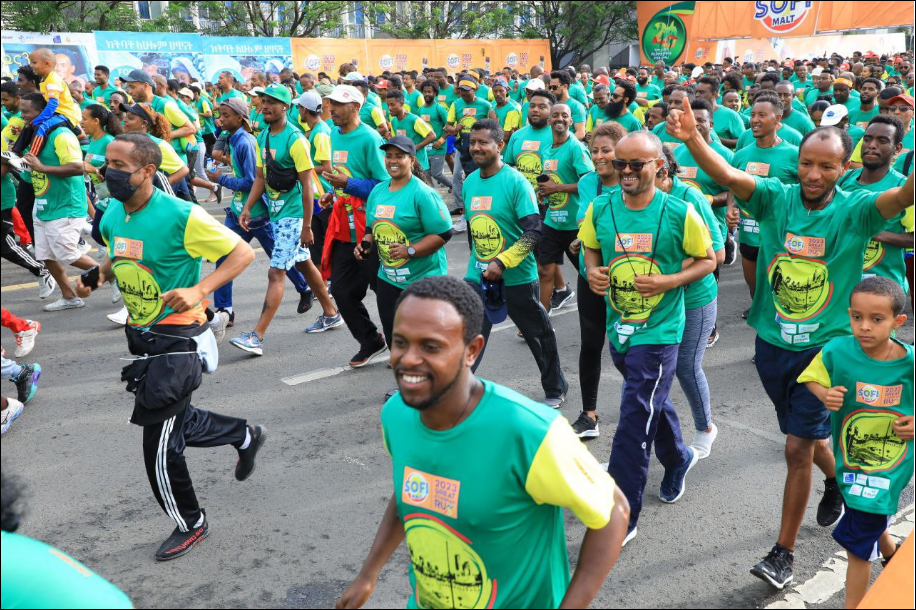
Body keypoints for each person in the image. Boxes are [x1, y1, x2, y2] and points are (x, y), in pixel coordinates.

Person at [666, 100, 914, 590]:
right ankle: (862, 517)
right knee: (814, 438)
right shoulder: (777, 198)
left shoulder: (857, 210)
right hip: (772, 345)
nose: (814, 174)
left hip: (827, 350)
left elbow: (905, 195)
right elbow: (730, 175)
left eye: (827, 166)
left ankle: (783, 553)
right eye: (807, 163)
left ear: (845, 168)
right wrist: (693, 137)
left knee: (798, 445)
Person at [335, 276, 629, 610]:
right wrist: (368, 574)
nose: (409, 359)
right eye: (400, 342)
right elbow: (411, 490)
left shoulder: (527, 430)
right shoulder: (397, 414)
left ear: (472, 350)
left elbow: (614, 512)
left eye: (430, 347)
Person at [75, 132, 266, 561]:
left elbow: (241, 255)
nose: (109, 172)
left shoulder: (182, 215)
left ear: (147, 172)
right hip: (143, 338)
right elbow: (118, 254)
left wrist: (200, 290)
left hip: (180, 342)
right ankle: (244, 434)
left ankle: (191, 522)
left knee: (159, 445)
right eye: (107, 163)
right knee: (176, 422)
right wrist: (94, 277)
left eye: (120, 166)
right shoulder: (112, 216)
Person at [579, 130, 716, 544]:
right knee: (649, 396)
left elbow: (710, 259)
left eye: (635, 164)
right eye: (618, 163)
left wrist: (669, 280)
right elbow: (589, 248)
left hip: (660, 331)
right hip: (619, 327)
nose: (624, 171)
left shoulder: (679, 212)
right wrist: (592, 271)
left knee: (634, 415)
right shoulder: (600, 208)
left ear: (659, 166)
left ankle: (622, 513)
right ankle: (678, 457)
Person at [798, 277, 913, 608]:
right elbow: (811, 377)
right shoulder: (837, 350)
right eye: (857, 317)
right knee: (864, 517)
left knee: (856, 545)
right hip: (850, 461)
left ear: (898, 322)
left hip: (890, 468)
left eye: (877, 320)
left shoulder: (910, 363)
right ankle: (892, 554)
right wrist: (826, 394)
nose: (864, 327)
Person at [463, 119, 568, 407]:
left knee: (538, 335)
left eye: (483, 142)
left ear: (500, 145)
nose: (476, 147)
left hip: (517, 277)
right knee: (467, 333)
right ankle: (457, 389)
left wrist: (503, 261)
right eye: (473, 142)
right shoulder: (470, 182)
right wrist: (480, 264)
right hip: (478, 275)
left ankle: (555, 387)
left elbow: (534, 232)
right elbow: (474, 229)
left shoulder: (516, 182)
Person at [228, 85, 338, 356]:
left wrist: (307, 225)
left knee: (276, 272)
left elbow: (308, 185)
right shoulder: (262, 136)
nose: (265, 106)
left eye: (272, 102)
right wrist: (248, 207)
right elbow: (260, 179)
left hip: (294, 214)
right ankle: (331, 312)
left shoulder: (296, 139)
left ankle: (257, 336)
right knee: (303, 262)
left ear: (286, 107)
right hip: (276, 213)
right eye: (263, 101)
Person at [318, 84, 391, 364]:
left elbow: (384, 185)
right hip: (343, 228)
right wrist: (332, 192)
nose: (332, 109)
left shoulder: (369, 138)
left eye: (338, 104)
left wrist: (349, 184)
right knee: (341, 291)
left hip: (369, 229)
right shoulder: (334, 134)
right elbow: (342, 178)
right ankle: (371, 340)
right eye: (330, 103)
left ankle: (400, 347)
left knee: (383, 292)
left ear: (356, 107)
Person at [359, 135, 452, 350]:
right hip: (388, 278)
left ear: (412, 159)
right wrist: (365, 244)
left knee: (424, 341)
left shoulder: (423, 193)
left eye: (399, 156)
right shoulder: (378, 191)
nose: (393, 160)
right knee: (396, 338)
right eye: (389, 156)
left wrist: (409, 250)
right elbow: (372, 227)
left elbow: (442, 234)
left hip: (423, 279)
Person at [568, 121, 625, 439]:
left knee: (629, 346)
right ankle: (589, 415)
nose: (599, 156)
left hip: (627, 278)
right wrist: (581, 240)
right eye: (594, 151)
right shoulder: (589, 182)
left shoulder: (633, 182)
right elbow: (585, 222)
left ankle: (640, 407)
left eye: (606, 150)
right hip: (590, 273)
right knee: (590, 343)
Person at [17, 92, 98, 311]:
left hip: (65, 205)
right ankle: (70, 297)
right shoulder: (33, 133)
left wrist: (43, 168)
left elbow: (77, 167)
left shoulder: (61, 134)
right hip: (43, 204)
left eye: (26, 111)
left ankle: (111, 273)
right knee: (44, 255)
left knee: (67, 254)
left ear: (43, 111)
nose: (21, 115)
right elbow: (30, 171)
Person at [731, 92, 799, 317]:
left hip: (783, 239)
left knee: (783, 296)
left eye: (762, 115)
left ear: (778, 119)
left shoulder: (793, 154)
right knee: (756, 292)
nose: (755, 120)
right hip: (749, 236)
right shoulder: (741, 154)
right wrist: (732, 208)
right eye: (752, 115)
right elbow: (733, 185)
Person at [837, 116, 911, 293]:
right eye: (867, 139)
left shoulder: (903, 189)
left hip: (884, 289)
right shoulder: (845, 179)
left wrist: (874, 231)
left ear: (897, 149)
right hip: (843, 283)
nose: (871, 145)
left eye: (882, 140)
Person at [535, 103, 594, 312]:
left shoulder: (577, 148)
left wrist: (556, 187)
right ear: (549, 120)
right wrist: (544, 193)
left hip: (575, 223)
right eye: (555, 115)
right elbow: (551, 183)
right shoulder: (546, 150)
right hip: (552, 220)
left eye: (565, 116)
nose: (559, 118)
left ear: (571, 121)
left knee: (587, 273)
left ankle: (606, 311)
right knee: (544, 270)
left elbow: (590, 184)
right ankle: (541, 317)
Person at [444, 75, 492, 222]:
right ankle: (462, 208)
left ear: (474, 88)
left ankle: (484, 206)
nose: (463, 93)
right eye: (461, 90)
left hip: (480, 146)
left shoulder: (485, 105)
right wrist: (455, 128)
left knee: (480, 175)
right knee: (457, 174)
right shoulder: (456, 104)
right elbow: (447, 126)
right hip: (464, 144)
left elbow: (492, 126)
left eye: (467, 90)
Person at [385, 89, 436, 182]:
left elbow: (432, 136)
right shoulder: (393, 121)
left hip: (420, 165)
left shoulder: (414, 120)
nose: (389, 108)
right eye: (388, 105)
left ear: (401, 104)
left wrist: (416, 147)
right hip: (404, 165)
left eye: (392, 104)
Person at [415, 79, 452, 191]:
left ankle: (454, 186)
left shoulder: (439, 109)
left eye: (429, 92)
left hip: (438, 148)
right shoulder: (420, 110)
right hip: (425, 148)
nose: (427, 94)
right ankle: (431, 194)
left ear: (435, 93)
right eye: (425, 91)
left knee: (437, 174)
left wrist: (441, 141)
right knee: (426, 174)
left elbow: (449, 128)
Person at [695, 76, 745, 149]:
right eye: (696, 92)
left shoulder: (731, 115)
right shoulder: (693, 113)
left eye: (701, 92)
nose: (697, 95)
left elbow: (742, 141)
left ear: (714, 94)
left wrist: (713, 139)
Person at [549, 70, 586, 140]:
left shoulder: (577, 106)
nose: (551, 90)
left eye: (554, 87)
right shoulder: (550, 104)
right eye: (550, 87)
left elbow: (580, 133)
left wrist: (563, 145)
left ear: (565, 86)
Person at [488, 77, 521, 142]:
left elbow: (505, 137)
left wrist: (494, 122)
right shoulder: (492, 107)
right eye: (495, 91)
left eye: (501, 91)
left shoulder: (512, 110)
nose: (498, 94)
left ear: (506, 91)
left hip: (504, 150)